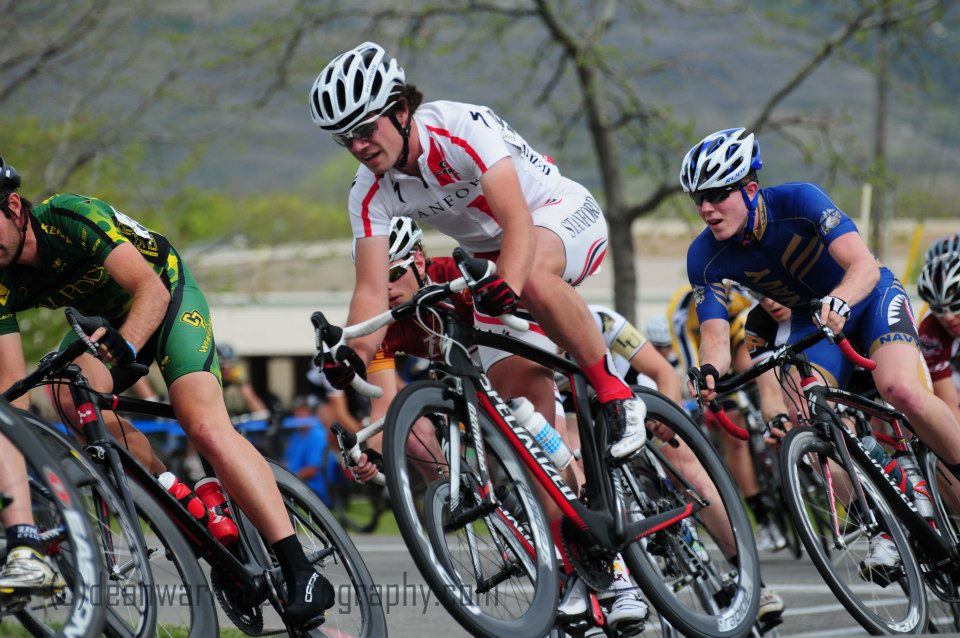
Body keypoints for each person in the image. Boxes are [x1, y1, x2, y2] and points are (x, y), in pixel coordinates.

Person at [0, 156, 333, 626]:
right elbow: (10, 390)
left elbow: (149, 290)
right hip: (103, 323)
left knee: (203, 424)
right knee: (62, 390)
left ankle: (299, 567)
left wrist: (126, 347)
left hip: (165, 292)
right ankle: (174, 493)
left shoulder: (70, 216)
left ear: (14, 206)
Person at [309, 41, 645, 467]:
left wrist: (509, 281)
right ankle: (569, 529)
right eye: (344, 138)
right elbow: (372, 290)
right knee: (528, 438)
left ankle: (616, 394)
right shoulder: (367, 192)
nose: (357, 146)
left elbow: (518, 219)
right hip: (491, 258)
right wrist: (353, 355)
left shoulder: (461, 126)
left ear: (399, 108)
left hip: (555, 214)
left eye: (365, 130)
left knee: (535, 276)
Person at [680, 127, 960, 577]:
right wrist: (707, 371)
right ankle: (884, 529)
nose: (705, 208)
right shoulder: (704, 257)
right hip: (812, 317)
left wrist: (843, 300)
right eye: (698, 198)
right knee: (809, 425)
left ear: (750, 189)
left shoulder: (800, 201)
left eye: (716, 194)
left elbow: (863, 264)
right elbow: (714, 332)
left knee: (900, 390)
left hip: (867, 296)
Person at [348, 218, 649, 631]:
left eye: (395, 274)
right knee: (498, 469)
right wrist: (369, 454)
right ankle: (567, 567)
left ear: (418, 259)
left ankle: (616, 572)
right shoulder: (384, 324)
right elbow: (382, 410)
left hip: (533, 356)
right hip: (485, 395)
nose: (385, 289)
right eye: (377, 279)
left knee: (540, 447)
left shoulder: (454, 275)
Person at [283, 395, 330, 506]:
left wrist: (287, 480)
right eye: (296, 411)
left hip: (312, 490)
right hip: (294, 484)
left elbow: (312, 469)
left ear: (310, 414)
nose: (298, 415)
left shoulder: (317, 435)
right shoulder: (296, 436)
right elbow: (286, 461)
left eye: (302, 411)